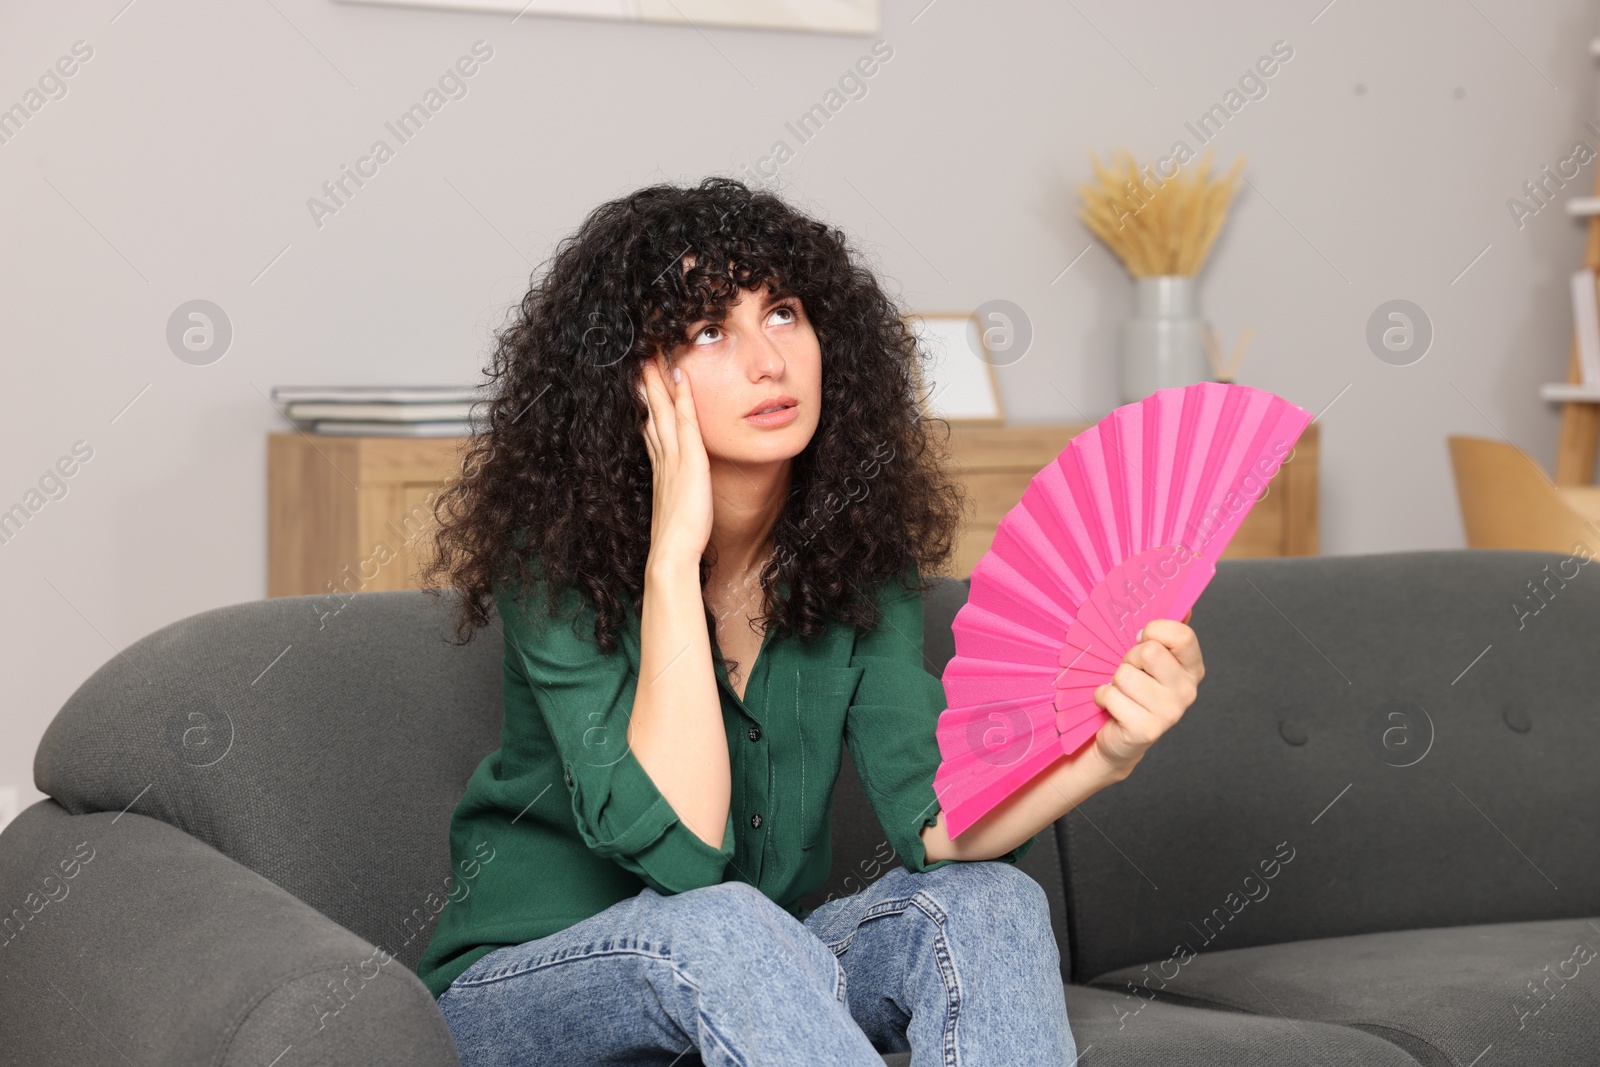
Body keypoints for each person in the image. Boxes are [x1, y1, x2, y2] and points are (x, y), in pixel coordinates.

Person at [413, 176, 1205, 1066]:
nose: (768, 359)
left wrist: (1106, 751)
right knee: (721, 921)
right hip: (527, 991)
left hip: (755, 976)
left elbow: (938, 821)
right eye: (710, 330)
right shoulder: (554, 562)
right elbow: (683, 860)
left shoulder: (854, 562)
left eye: (783, 312)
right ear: (630, 381)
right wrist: (673, 558)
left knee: (990, 898)